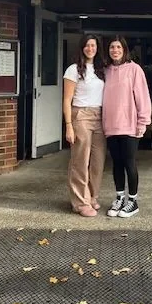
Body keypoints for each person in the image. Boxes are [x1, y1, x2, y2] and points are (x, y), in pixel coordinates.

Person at [103, 35, 152, 218]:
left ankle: (133, 201)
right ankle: (119, 198)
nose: (115, 50)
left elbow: (142, 96)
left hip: (130, 125)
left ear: (124, 49)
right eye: (111, 47)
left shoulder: (134, 69)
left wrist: (143, 121)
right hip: (111, 125)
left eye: (118, 47)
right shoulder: (106, 70)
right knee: (116, 163)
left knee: (129, 163)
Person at [63, 34, 106, 217]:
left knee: (98, 160)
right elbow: (66, 100)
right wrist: (68, 125)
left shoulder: (101, 69)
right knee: (80, 160)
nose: (90, 48)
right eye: (87, 45)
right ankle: (80, 202)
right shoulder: (73, 70)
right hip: (80, 115)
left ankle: (92, 196)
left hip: (100, 116)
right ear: (82, 47)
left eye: (93, 45)